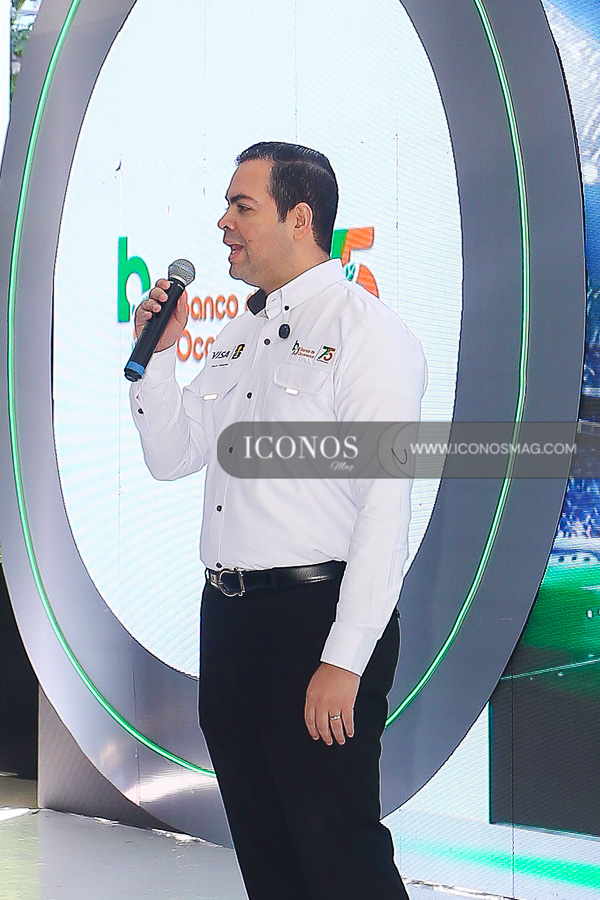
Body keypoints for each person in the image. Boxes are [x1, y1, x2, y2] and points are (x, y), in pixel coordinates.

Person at [130, 142, 426, 899]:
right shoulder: (239, 334)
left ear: (300, 217)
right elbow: (171, 454)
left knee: (340, 859)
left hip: (314, 622)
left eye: (242, 206)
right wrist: (157, 359)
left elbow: (385, 508)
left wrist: (345, 660)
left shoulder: (367, 332)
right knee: (268, 859)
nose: (223, 223)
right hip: (230, 622)